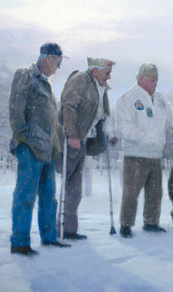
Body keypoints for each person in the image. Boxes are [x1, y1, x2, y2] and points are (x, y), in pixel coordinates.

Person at [114, 63, 173, 238]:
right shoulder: (128, 99)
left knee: (155, 192)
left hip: (155, 155)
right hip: (135, 155)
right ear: (140, 79)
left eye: (156, 80)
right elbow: (123, 128)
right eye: (151, 80)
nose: (154, 83)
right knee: (131, 193)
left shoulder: (162, 100)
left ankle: (151, 222)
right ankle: (125, 225)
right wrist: (147, 137)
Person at [8, 42, 71, 256]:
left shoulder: (48, 85)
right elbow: (16, 110)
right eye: (58, 60)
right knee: (25, 195)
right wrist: (24, 139)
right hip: (30, 148)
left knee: (49, 197)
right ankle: (20, 242)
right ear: (47, 57)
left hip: (48, 150)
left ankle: (49, 238)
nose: (59, 66)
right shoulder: (25, 75)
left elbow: (51, 120)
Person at [57, 57, 117, 240]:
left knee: (75, 187)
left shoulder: (101, 88)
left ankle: (69, 230)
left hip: (83, 139)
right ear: (95, 71)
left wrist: (110, 134)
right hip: (70, 139)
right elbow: (68, 106)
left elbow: (104, 115)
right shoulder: (81, 80)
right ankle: (56, 228)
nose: (109, 76)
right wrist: (71, 134)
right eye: (107, 72)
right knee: (67, 184)